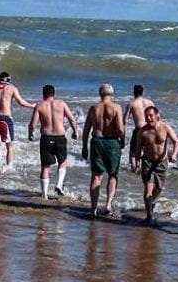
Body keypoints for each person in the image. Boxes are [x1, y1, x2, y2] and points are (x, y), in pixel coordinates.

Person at [81, 83, 126, 217]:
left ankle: (93, 208)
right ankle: (107, 205)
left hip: (97, 141)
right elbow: (120, 129)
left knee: (96, 176)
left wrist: (84, 146)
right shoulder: (116, 107)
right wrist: (122, 140)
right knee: (112, 175)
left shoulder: (94, 108)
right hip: (112, 142)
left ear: (100, 94)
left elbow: (86, 130)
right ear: (111, 94)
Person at [28, 84, 78, 198]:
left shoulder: (40, 105)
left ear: (43, 94)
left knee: (45, 166)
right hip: (60, 136)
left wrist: (30, 134)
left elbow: (33, 124)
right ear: (54, 94)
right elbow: (72, 119)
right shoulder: (61, 104)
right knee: (62, 161)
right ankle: (59, 184)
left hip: (46, 137)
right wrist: (75, 132)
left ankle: (44, 195)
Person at [133, 105, 178, 224]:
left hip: (161, 162)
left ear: (157, 116)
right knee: (148, 188)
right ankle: (149, 216)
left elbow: (176, 141)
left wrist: (174, 154)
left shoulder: (165, 127)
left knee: (159, 188)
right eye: (147, 116)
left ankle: (150, 203)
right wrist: (136, 163)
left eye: (151, 115)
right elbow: (138, 149)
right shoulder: (142, 131)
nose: (149, 118)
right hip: (147, 161)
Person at [0, 72, 34, 167]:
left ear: (0, 78)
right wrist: (32, 106)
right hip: (6, 119)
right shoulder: (12, 89)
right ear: (9, 79)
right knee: (9, 146)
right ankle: (9, 167)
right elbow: (21, 102)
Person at [124, 85, 155, 172]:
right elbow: (158, 117)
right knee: (149, 150)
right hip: (150, 129)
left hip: (139, 129)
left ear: (134, 92)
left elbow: (124, 120)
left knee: (133, 152)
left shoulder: (132, 103)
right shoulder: (150, 102)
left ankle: (135, 169)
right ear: (143, 92)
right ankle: (148, 169)